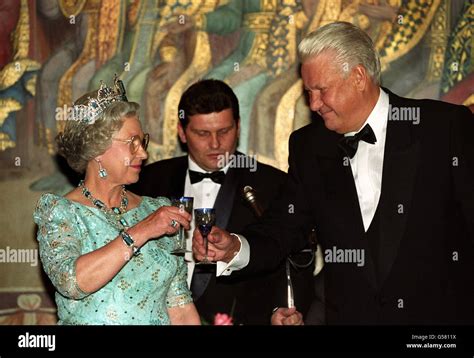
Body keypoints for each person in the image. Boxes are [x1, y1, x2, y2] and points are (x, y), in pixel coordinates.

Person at [193, 22, 474, 324]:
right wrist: (235, 247)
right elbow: (282, 228)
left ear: (357, 77)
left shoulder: (442, 127)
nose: (313, 104)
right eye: (308, 92)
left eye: (321, 90)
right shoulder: (308, 147)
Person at [131, 79, 313, 325]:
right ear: (182, 132)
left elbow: (296, 260)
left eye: (224, 131)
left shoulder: (274, 184)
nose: (215, 144)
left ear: (238, 127)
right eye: (203, 133)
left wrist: (279, 311)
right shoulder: (148, 181)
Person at [33, 77, 200, 325]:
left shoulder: (157, 210)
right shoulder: (60, 212)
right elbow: (71, 282)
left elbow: (181, 309)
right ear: (97, 149)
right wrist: (142, 231)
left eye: (142, 142)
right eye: (131, 144)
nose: (143, 153)